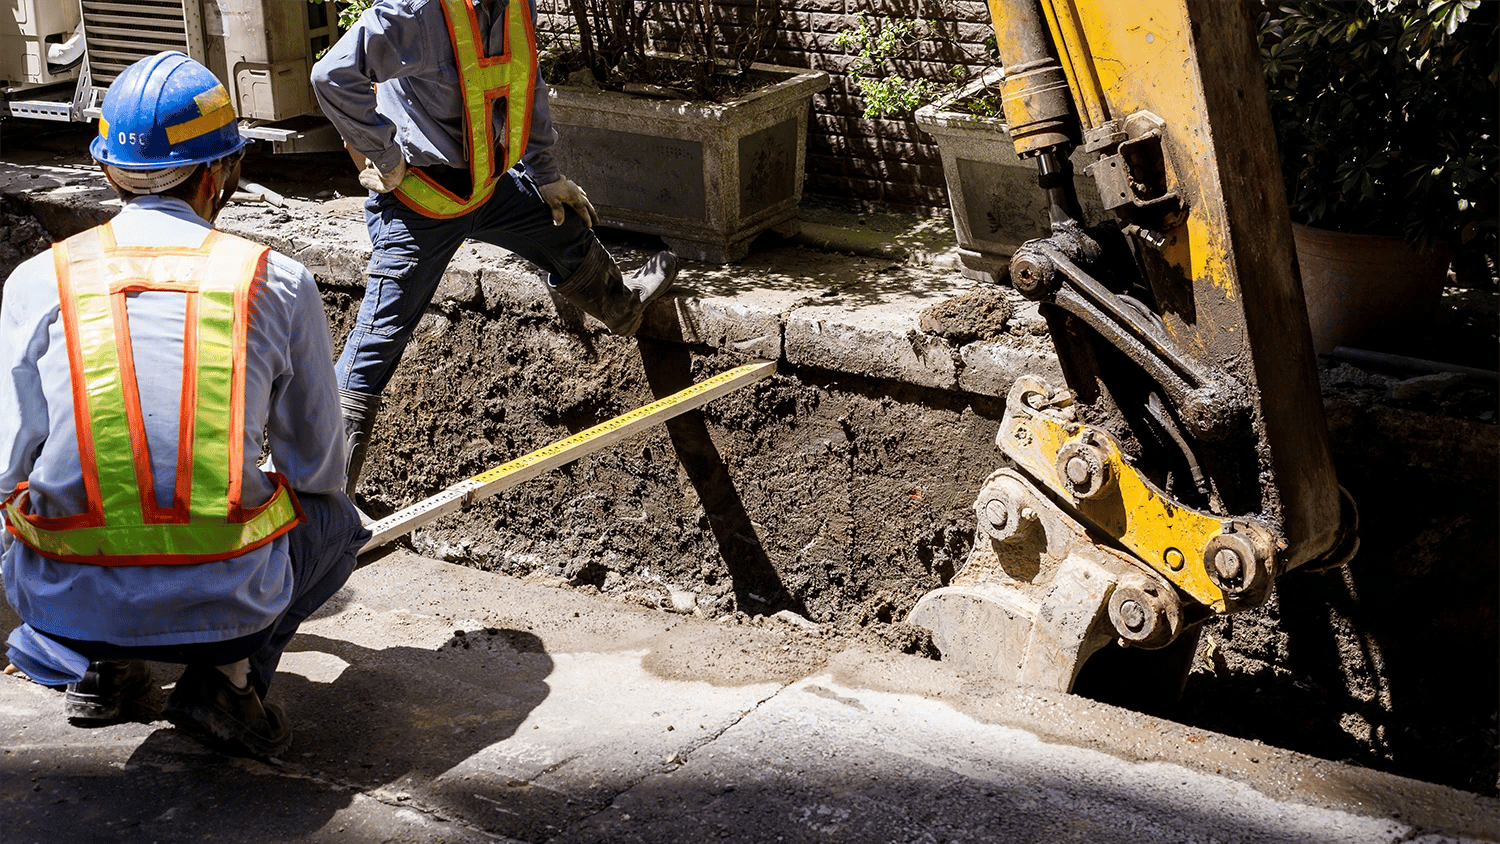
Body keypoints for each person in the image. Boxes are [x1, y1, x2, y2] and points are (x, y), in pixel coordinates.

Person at [0, 52, 369, 760]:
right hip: (231, 608)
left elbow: (7, 459)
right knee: (331, 520)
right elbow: (317, 467)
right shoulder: (278, 282)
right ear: (220, 173)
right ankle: (229, 682)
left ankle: (104, 670)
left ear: (108, 170)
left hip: (61, 608)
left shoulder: (37, 279)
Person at [310, 0, 679, 495]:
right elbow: (330, 76)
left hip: (487, 184)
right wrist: (384, 154)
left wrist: (546, 175)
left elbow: (529, 84)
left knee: (563, 227)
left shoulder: (510, 7)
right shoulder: (417, 12)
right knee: (377, 343)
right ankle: (320, 501)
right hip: (423, 200)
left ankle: (623, 308)